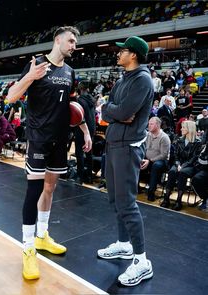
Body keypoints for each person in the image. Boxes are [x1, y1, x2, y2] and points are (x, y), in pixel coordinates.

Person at [7, 26, 92, 280]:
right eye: (71, 40)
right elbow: (11, 97)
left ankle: (42, 235)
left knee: (50, 188)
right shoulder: (37, 64)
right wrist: (29, 77)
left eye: (76, 42)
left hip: (59, 140)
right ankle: (28, 247)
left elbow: (72, 107)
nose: (74, 45)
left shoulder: (70, 71)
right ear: (57, 40)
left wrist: (86, 131)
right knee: (33, 190)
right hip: (38, 138)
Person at [97, 36, 154, 287]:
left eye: (123, 51)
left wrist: (112, 112)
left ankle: (142, 261)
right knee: (115, 199)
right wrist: (111, 112)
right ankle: (123, 244)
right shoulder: (123, 79)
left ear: (134, 55)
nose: (118, 54)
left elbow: (120, 112)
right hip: (113, 144)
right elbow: (108, 109)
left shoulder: (142, 80)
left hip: (127, 148)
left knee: (127, 204)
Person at [160, 120, 202, 211]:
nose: (181, 129)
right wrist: (178, 164)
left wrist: (182, 166)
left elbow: (194, 159)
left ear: (189, 129)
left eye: (183, 127)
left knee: (182, 173)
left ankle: (178, 201)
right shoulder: (179, 140)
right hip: (179, 163)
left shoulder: (198, 142)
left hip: (191, 166)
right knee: (172, 171)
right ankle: (166, 198)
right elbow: (175, 155)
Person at [140, 117, 171, 201]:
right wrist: (142, 158)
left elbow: (164, 155)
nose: (148, 125)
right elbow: (143, 148)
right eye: (149, 123)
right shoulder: (148, 134)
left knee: (156, 166)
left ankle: (151, 192)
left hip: (161, 162)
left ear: (157, 125)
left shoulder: (164, 137)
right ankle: (135, 187)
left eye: (151, 124)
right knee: (136, 160)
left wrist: (149, 161)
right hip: (148, 159)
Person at [74, 80, 96, 184]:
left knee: (80, 152)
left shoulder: (80, 100)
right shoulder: (93, 100)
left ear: (80, 89)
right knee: (89, 153)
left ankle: (80, 177)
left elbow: (79, 117)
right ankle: (90, 177)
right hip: (92, 128)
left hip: (82, 128)